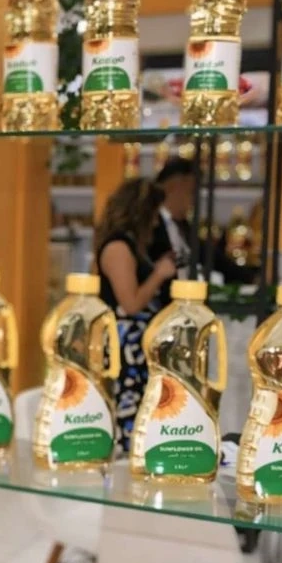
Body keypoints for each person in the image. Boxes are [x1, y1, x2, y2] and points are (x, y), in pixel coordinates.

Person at [95, 178, 178, 450]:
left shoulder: (130, 246)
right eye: (153, 216)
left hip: (135, 347)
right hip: (124, 348)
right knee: (127, 415)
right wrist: (159, 274)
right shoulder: (118, 248)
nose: (155, 224)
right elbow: (130, 303)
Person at [150, 158, 255, 300]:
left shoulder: (183, 228)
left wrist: (249, 277)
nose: (194, 200)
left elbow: (211, 257)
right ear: (173, 186)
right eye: (191, 192)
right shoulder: (149, 226)